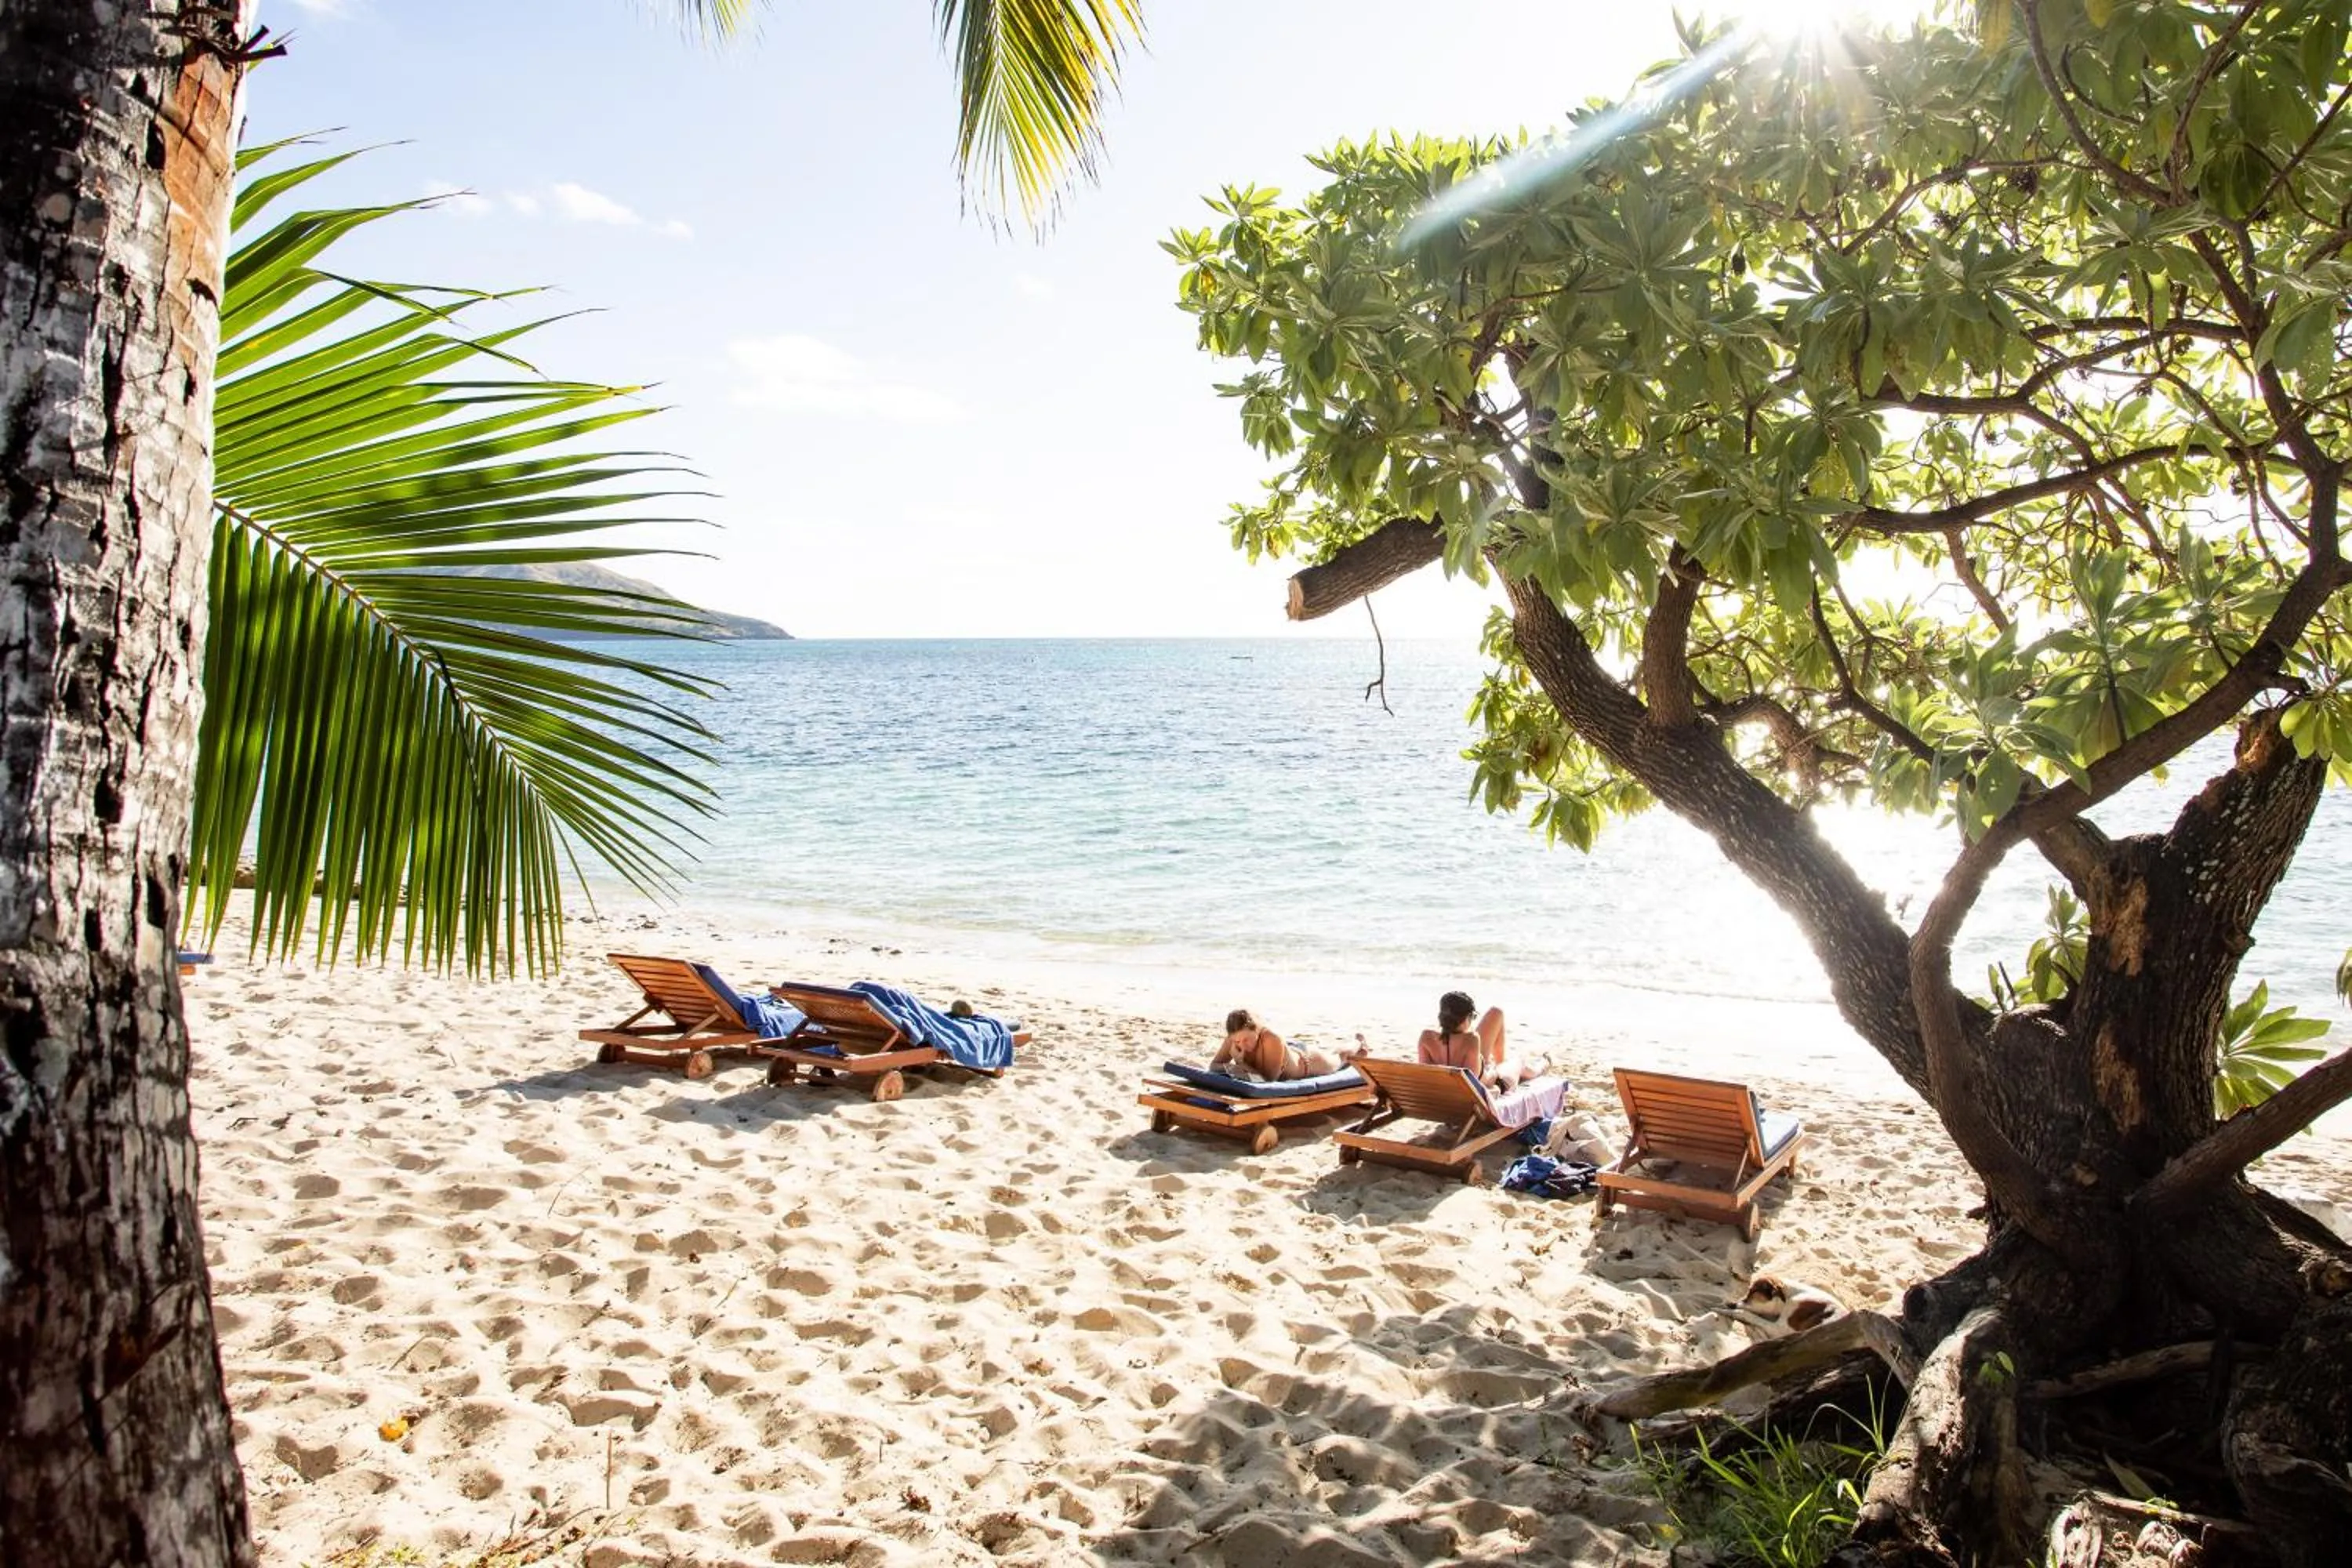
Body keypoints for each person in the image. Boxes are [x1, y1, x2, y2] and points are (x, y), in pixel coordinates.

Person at [1417, 991, 1545, 1091]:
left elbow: (1428, 1075)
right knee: (1519, 1062)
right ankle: (1544, 1064)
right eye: (1472, 1017)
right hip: (1496, 1082)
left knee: (1496, 1012)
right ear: (1466, 1018)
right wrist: (1491, 1072)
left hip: (1446, 1092)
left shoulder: (1426, 1037)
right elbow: (1473, 1084)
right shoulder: (1471, 1039)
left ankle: (1502, 1063)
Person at [1209, 1008, 1351, 1081]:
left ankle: (1358, 1043)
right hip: (1285, 1052)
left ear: (1256, 1030)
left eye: (1247, 1039)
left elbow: (1268, 1082)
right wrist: (1233, 1067)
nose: (1242, 1045)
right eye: (1237, 1042)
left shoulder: (1271, 1039)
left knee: (1340, 1057)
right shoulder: (1235, 1037)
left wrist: (1240, 1063)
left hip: (1307, 1062)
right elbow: (1214, 1066)